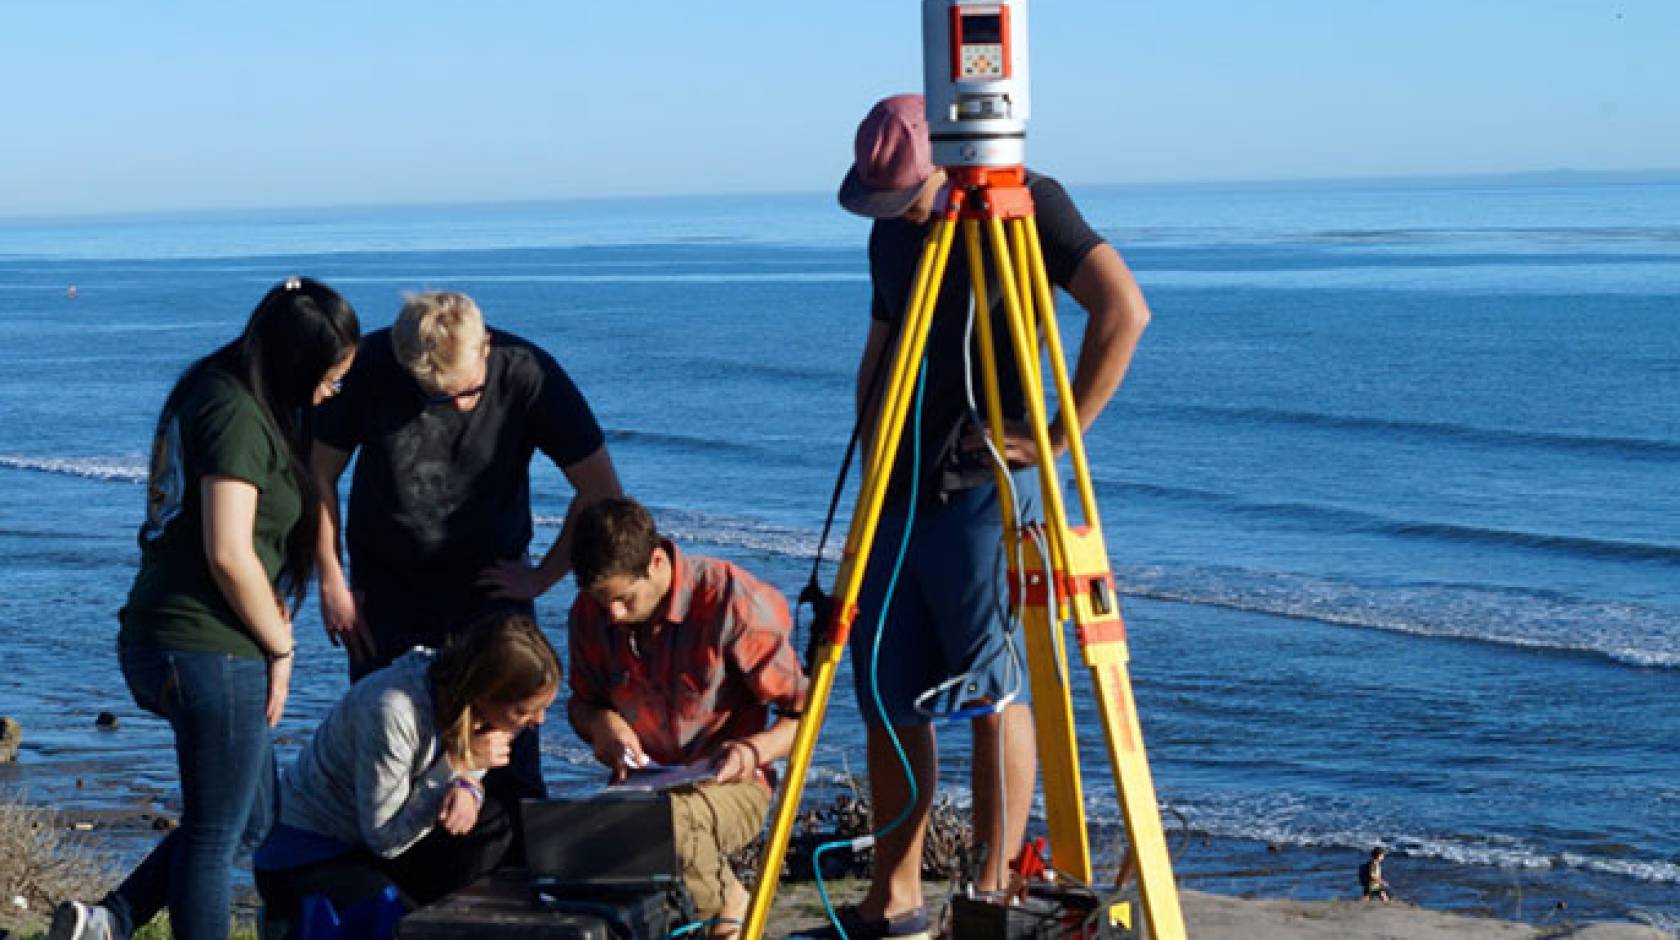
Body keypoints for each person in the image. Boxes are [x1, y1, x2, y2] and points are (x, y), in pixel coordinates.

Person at [815, 94, 1154, 938]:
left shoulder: (1030, 201)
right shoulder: (892, 230)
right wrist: (867, 484)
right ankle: (894, 899)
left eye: (906, 195)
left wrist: (1055, 437)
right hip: (897, 482)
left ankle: (994, 894)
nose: (899, 213)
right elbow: (880, 351)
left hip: (982, 490)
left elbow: (1125, 309)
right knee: (887, 693)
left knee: (988, 687)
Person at [49, 277, 361, 940]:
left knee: (249, 818)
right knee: (218, 831)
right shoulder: (233, 411)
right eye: (331, 377)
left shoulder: (224, 393)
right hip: (202, 643)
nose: (332, 392)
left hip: (202, 641)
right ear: (298, 362)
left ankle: (110, 920)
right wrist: (281, 645)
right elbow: (227, 550)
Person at [311, 290, 622, 805]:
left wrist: (543, 576)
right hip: (386, 595)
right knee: (393, 757)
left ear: (486, 347)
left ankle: (516, 877)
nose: (455, 406)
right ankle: (400, 878)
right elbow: (318, 475)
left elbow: (601, 490)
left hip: (490, 592)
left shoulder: (528, 373)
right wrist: (331, 578)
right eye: (436, 397)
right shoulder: (370, 367)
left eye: (466, 392)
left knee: (509, 766)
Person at [566, 498, 807, 938]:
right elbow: (581, 705)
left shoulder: (730, 600)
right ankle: (722, 900)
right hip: (642, 785)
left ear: (656, 562)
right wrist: (604, 725)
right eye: (603, 602)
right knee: (565, 840)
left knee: (670, 824)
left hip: (732, 783)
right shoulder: (590, 612)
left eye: (623, 599)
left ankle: (722, 913)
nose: (613, 615)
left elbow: (805, 713)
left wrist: (754, 750)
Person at [253, 612, 562, 937]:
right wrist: (456, 767)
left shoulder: (478, 709)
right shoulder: (393, 711)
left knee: (493, 827)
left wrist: (468, 786)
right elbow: (385, 839)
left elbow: (471, 766)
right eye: (524, 711)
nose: (537, 720)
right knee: (396, 916)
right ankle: (288, 920)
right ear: (484, 693)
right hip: (311, 848)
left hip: (376, 836)